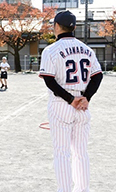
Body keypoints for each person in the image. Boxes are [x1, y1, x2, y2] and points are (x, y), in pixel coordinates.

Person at [39, 10, 103, 192]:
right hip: (83, 105)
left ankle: (65, 190)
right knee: (81, 153)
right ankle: (83, 189)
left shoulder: (51, 50)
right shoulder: (87, 49)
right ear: (74, 27)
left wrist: (70, 99)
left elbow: (49, 80)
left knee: (62, 153)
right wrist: (86, 98)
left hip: (62, 104)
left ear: (57, 26)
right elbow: (98, 76)